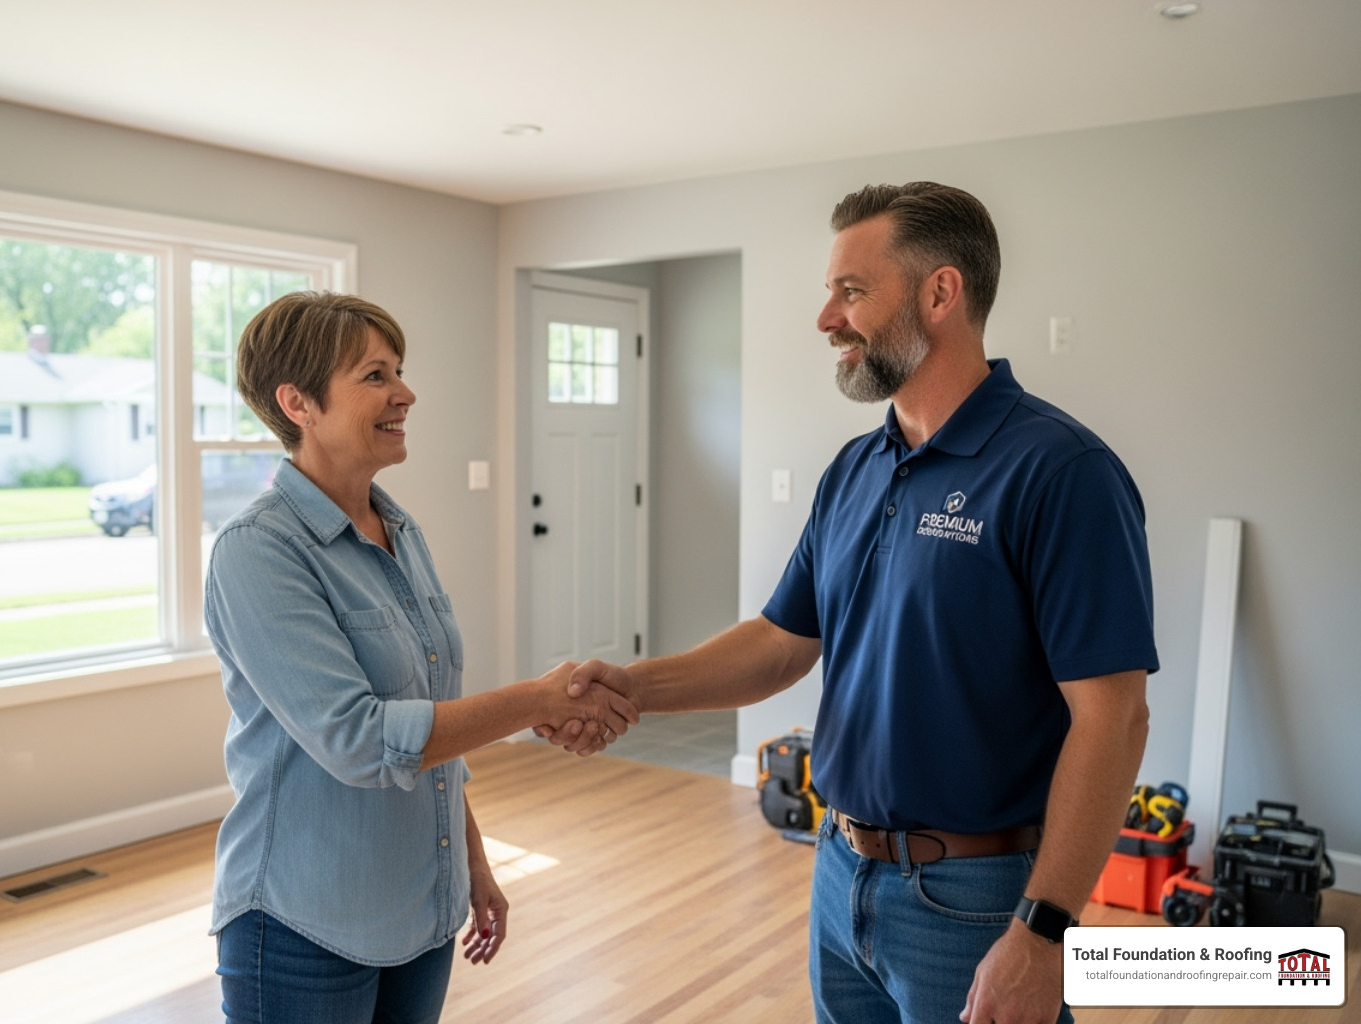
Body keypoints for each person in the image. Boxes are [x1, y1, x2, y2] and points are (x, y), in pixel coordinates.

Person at [556, 183, 1157, 1024]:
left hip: (977, 901)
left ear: (939, 293)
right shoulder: (855, 468)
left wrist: (1045, 932)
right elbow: (779, 641)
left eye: (850, 291)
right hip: (840, 876)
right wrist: (633, 687)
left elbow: (1114, 718)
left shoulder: (1059, 472)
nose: (825, 319)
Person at [205, 292, 635, 1024]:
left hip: (418, 912)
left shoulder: (399, 529)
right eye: (375, 376)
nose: (405, 392)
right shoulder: (260, 552)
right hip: (303, 924)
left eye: (397, 370)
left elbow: (431, 726)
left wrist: (469, 862)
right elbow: (361, 739)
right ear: (297, 402)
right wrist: (537, 700)